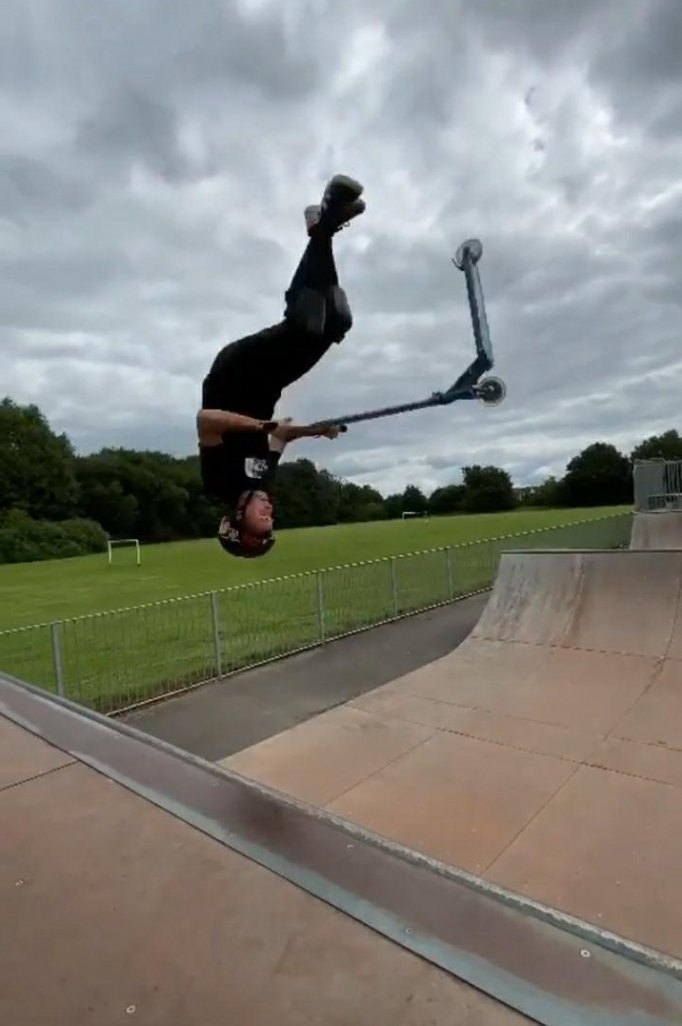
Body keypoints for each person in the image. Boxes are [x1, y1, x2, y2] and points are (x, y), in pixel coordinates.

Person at [197, 174, 365, 558]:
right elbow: (280, 438)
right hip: (269, 383)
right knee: (336, 321)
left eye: (262, 519)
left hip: (233, 372)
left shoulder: (219, 483)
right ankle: (323, 225)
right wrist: (314, 431)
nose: (270, 511)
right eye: (271, 519)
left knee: (305, 327)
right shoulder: (263, 482)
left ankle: (326, 219)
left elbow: (206, 421)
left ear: (237, 517)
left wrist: (258, 424)